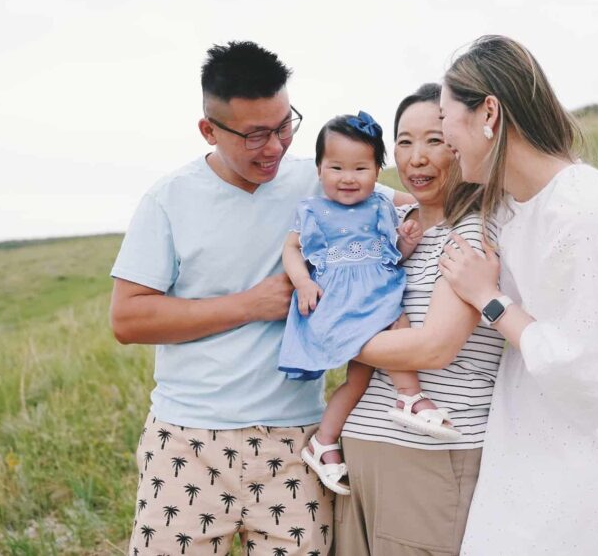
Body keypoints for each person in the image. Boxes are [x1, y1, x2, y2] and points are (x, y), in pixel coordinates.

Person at [109, 41, 406, 555]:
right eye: (255, 134)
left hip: (296, 441)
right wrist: (251, 304)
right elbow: (128, 318)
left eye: (285, 125)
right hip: (187, 439)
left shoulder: (323, 180)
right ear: (209, 130)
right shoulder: (168, 199)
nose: (275, 147)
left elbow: (418, 205)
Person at [432, 35, 598, 553]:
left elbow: (582, 369)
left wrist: (489, 300)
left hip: (591, 422)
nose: (441, 136)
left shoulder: (581, 210)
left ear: (489, 113)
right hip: (534, 413)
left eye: (444, 117)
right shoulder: (512, 201)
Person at [335, 83, 506, 555]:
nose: (417, 157)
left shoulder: (471, 232)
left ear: (462, 139)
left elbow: (434, 347)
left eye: (434, 139)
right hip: (361, 448)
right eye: (404, 142)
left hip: (429, 455)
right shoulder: (395, 227)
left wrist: (329, 339)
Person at [280, 111, 459, 497]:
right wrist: (303, 281)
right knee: (399, 321)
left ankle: (323, 441)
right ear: (319, 168)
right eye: (336, 167)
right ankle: (409, 395)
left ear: (378, 170)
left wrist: (407, 244)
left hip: (376, 292)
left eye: (360, 168)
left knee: (359, 378)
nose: (348, 177)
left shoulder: (380, 204)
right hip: (340, 302)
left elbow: (393, 247)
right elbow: (291, 249)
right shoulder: (313, 209)